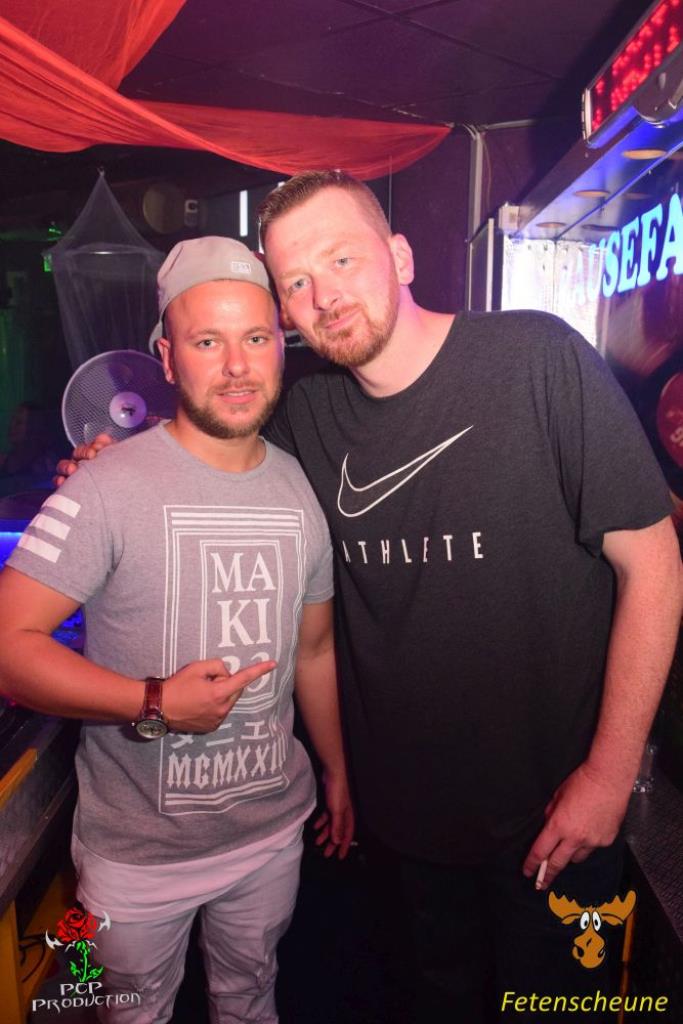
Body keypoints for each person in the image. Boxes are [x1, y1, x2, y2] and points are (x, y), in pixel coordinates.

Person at [57, 173, 682, 1023]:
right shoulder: (303, 413)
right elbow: (203, 442)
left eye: (341, 259)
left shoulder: (537, 358)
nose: (323, 295)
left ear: (400, 256)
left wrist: (607, 777)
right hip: (401, 832)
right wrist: (106, 461)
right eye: (296, 281)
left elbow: (653, 565)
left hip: (551, 819)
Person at [0, 236, 353, 1024]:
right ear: (166, 357)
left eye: (255, 337)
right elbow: (9, 646)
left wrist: (334, 771)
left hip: (270, 831)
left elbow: (314, 648)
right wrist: (153, 701)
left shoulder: (300, 486)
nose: (236, 366)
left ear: (281, 347)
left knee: (250, 998)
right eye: (206, 342)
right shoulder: (105, 486)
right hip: (138, 858)